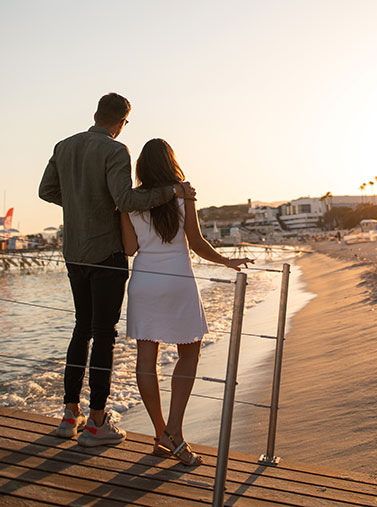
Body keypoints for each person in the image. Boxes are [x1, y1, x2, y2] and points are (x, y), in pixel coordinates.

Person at [38, 93, 195, 447]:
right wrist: (173, 190)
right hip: (106, 253)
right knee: (104, 335)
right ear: (123, 122)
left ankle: (68, 415)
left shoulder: (63, 146)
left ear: (95, 114)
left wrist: (80, 200)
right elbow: (125, 200)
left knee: (81, 329)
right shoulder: (115, 151)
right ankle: (96, 422)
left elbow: (46, 190)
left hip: (74, 252)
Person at [120, 138, 253, 465]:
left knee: (145, 358)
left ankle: (161, 432)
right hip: (177, 281)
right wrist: (226, 261)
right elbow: (196, 242)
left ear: (141, 167)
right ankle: (174, 432)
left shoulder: (130, 202)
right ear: (171, 163)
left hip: (144, 282)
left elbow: (128, 249)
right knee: (189, 352)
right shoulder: (183, 194)